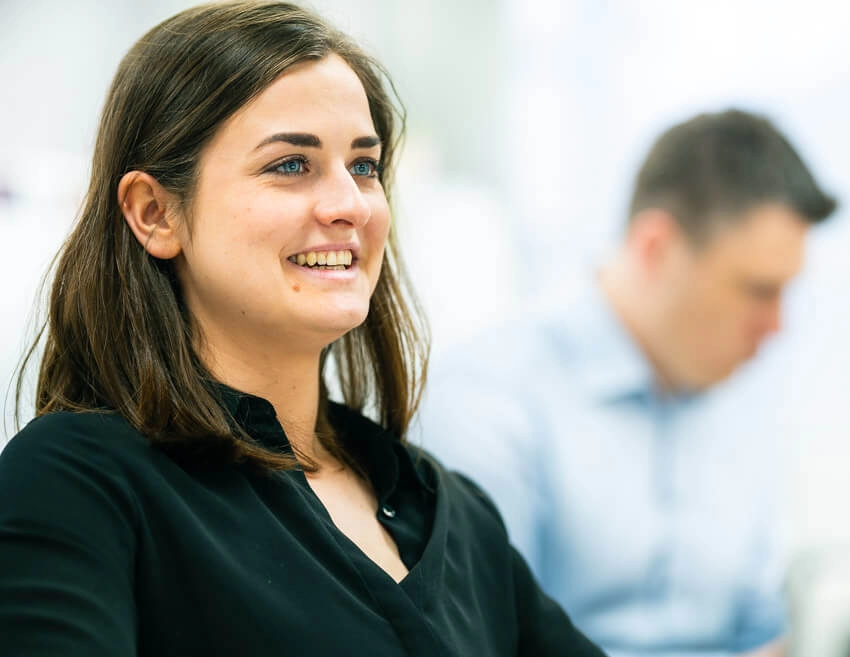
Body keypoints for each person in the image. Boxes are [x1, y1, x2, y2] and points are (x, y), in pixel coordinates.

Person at [0, 3, 605, 656]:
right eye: (291, 164)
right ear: (155, 213)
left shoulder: (452, 511)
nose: (349, 203)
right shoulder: (78, 481)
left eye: (364, 166)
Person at [418, 109, 838, 657]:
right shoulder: (487, 399)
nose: (776, 326)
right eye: (758, 290)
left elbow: (761, 630)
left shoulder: (740, 397)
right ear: (654, 248)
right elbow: (488, 642)